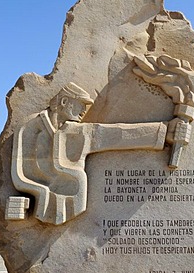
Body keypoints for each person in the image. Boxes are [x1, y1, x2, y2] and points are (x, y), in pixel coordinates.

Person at [11, 82, 172, 225]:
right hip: (42, 197)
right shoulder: (30, 126)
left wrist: (164, 132)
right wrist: (37, 192)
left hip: (73, 199)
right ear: (65, 101)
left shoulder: (79, 132)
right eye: (80, 104)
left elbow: (118, 134)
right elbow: (20, 170)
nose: (83, 111)